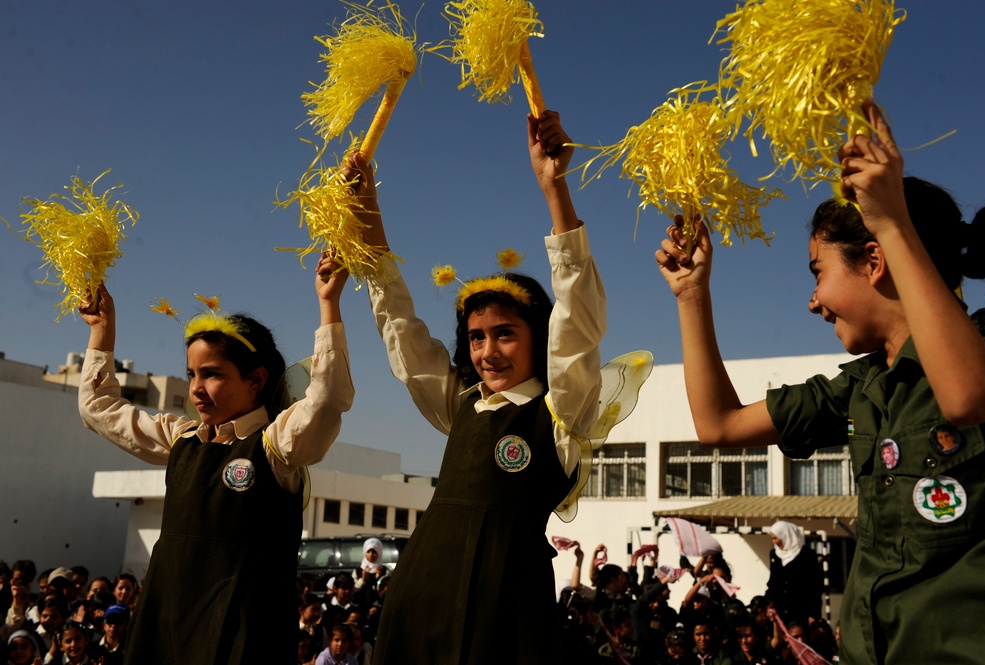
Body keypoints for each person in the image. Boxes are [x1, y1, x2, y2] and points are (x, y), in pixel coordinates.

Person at [656, 97, 985, 663]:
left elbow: (965, 396)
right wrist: (693, 295)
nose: (813, 301)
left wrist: (890, 221)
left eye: (819, 273)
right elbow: (718, 425)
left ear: (875, 260)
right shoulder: (861, 386)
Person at [356, 109, 605, 665]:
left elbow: (580, 319)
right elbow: (400, 328)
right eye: (475, 338)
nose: (487, 351)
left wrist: (554, 189)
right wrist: (367, 216)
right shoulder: (459, 404)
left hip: (505, 616)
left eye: (505, 334)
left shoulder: (561, 411)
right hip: (419, 599)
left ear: (540, 338)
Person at [77, 252, 354, 665]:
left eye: (213, 374)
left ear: (257, 379)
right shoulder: (181, 439)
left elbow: (327, 399)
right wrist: (102, 331)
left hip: (242, 637)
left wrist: (328, 305)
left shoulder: (276, 446)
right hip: (166, 624)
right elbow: (97, 408)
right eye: (192, 374)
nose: (197, 388)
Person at [764, 520, 821, 627]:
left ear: (786, 536)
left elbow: (815, 586)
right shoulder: (774, 555)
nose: (774, 543)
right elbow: (773, 582)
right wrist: (767, 603)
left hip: (801, 612)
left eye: (775, 538)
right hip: (780, 612)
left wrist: (813, 614)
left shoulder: (807, 555)